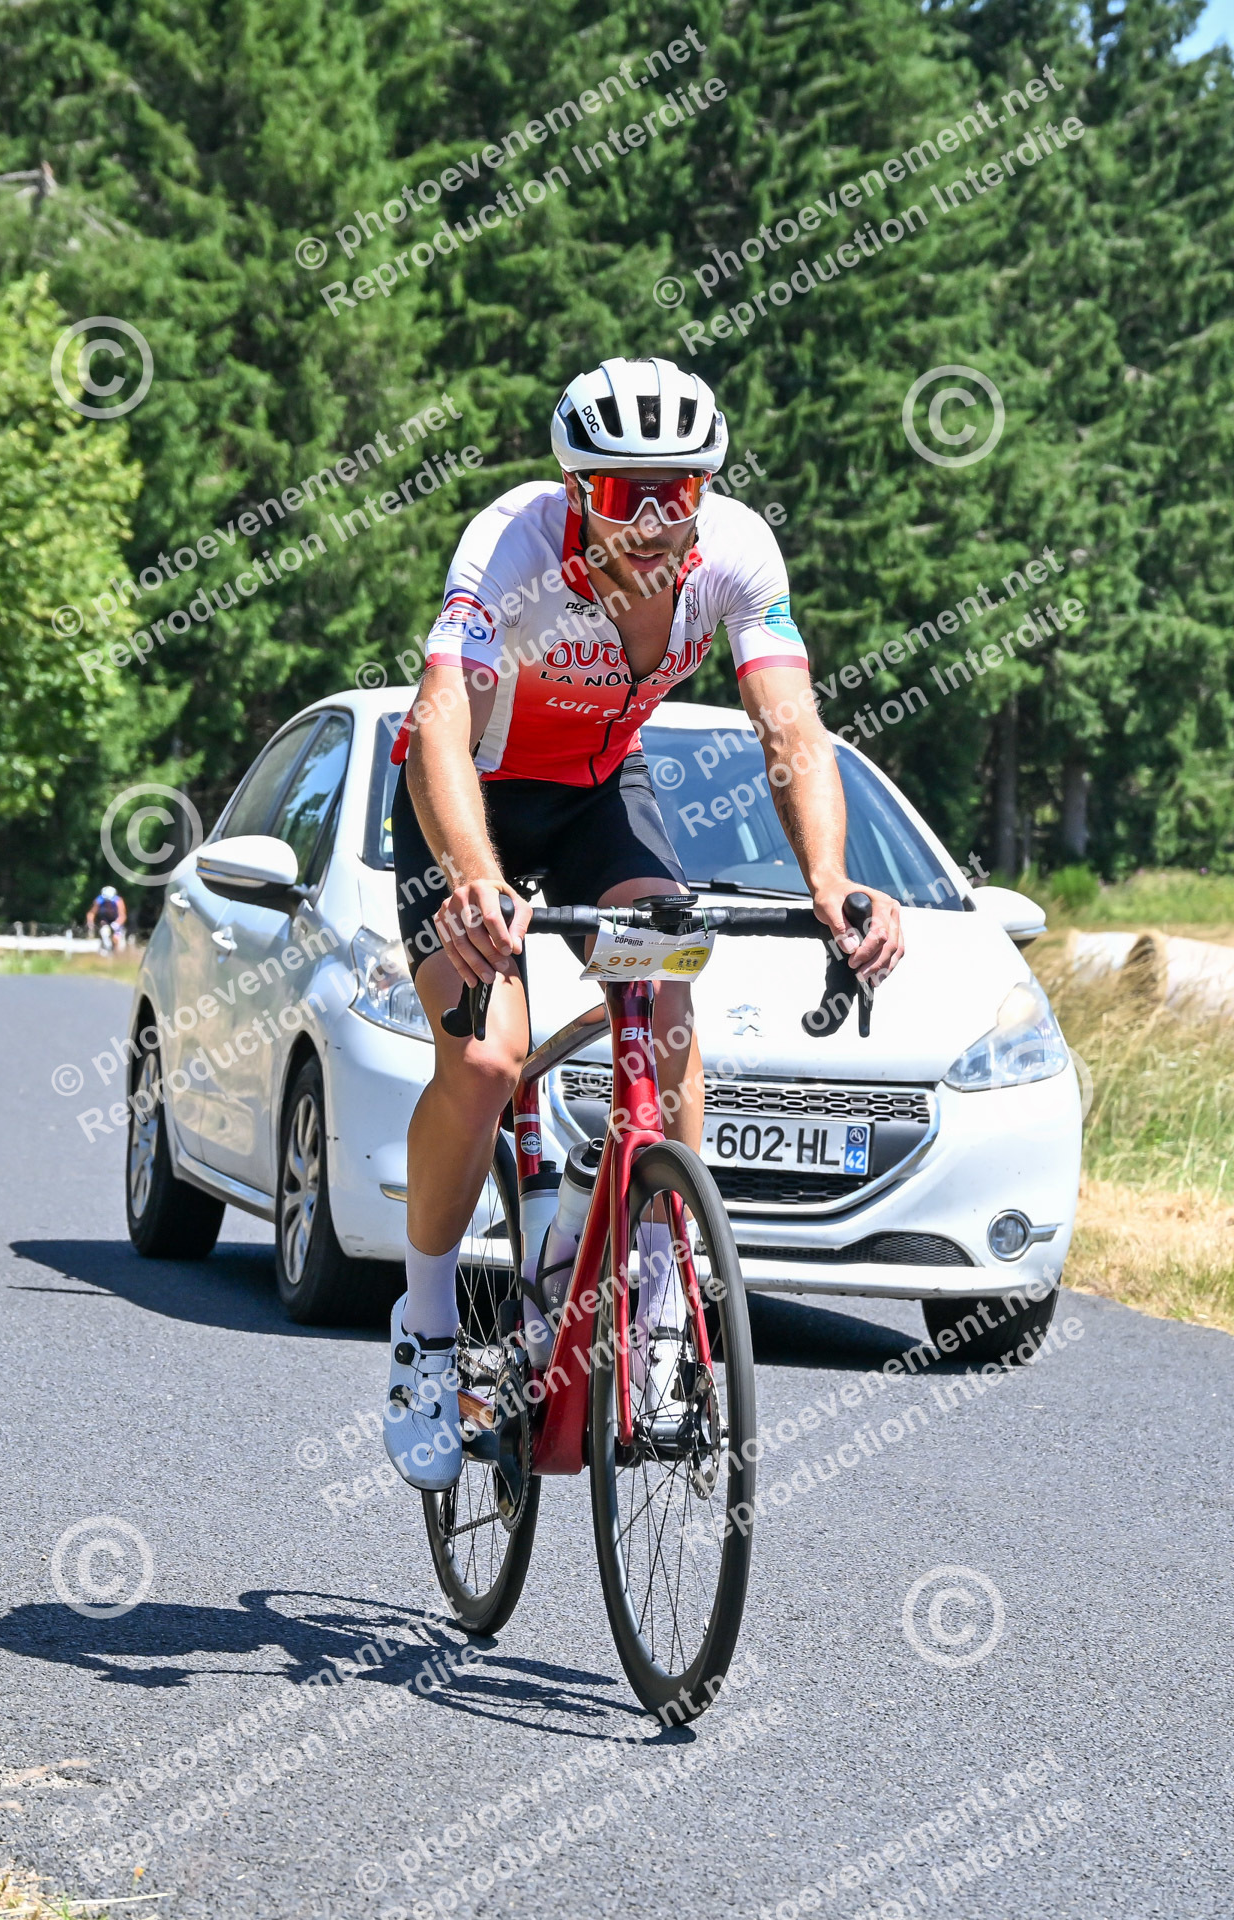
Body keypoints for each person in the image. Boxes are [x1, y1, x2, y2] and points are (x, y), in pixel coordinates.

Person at [383, 354, 904, 1489]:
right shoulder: (511, 544)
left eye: (681, 490)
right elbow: (438, 722)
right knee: (485, 1061)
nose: (657, 520)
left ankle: (662, 1315)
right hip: (463, 801)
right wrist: (471, 876)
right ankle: (425, 1331)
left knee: (664, 1011)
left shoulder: (738, 554)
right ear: (580, 490)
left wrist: (831, 880)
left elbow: (790, 728)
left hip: (595, 799)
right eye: (628, 494)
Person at [86, 885, 127, 951]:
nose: (108, 903)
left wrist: (117, 924)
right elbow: (91, 913)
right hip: (105, 921)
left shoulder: (118, 901)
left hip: (117, 922)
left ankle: (116, 952)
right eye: (106, 901)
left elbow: (122, 916)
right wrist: (90, 923)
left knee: (117, 939)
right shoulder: (99, 901)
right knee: (104, 933)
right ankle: (106, 950)